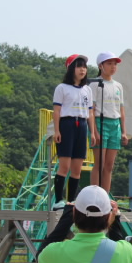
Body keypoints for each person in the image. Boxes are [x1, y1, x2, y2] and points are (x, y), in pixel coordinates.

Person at [52, 54, 96, 210]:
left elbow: (90, 113)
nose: (82, 70)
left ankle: (71, 201)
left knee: (77, 167)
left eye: (84, 66)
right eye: (79, 66)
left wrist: (92, 132)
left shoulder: (87, 90)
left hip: (82, 124)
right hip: (67, 124)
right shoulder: (62, 88)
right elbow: (56, 111)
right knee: (64, 165)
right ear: (71, 68)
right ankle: (58, 200)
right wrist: (57, 130)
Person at [90, 52, 128, 193]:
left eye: (115, 64)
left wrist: (124, 132)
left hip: (115, 124)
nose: (113, 67)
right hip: (101, 122)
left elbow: (122, 110)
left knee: (109, 165)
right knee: (99, 163)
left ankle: (105, 196)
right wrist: (94, 131)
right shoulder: (95, 84)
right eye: (109, 63)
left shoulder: (118, 86)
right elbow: (92, 110)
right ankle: (94, 195)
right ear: (101, 65)